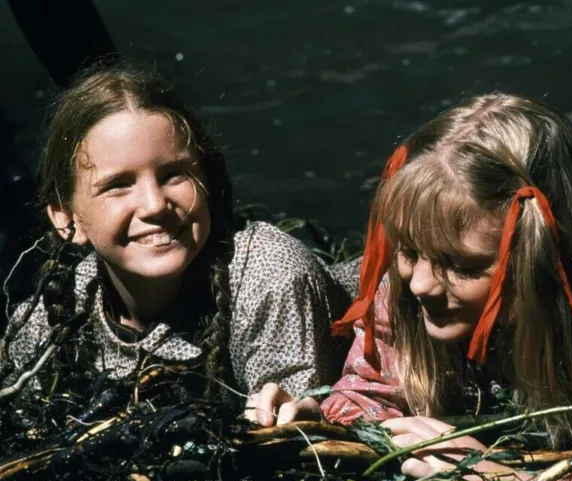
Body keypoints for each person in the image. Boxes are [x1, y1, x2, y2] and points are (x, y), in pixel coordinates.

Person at [253, 93, 572, 481]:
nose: (420, 285)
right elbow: (371, 389)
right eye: (407, 251)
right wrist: (323, 420)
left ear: (548, 264)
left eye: (461, 266)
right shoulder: (410, 284)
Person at [0, 62, 352, 417]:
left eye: (173, 175)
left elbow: (293, 429)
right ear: (65, 217)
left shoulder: (271, 275)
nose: (155, 205)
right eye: (118, 185)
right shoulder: (50, 320)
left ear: (207, 181)